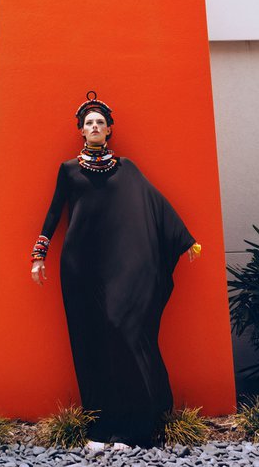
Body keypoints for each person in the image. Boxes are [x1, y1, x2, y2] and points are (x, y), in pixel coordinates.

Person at [30, 91, 201, 450]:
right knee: (90, 342)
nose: (94, 127)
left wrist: (184, 240)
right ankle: (100, 429)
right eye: (89, 122)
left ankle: (131, 428)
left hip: (120, 270)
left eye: (100, 123)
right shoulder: (68, 170)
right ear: (82, 130)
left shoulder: (127, 169)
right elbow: (53, 213)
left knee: (122, 334)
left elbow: (155, 203)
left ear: (109, 131)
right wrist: (39, 254)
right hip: (80, 268)